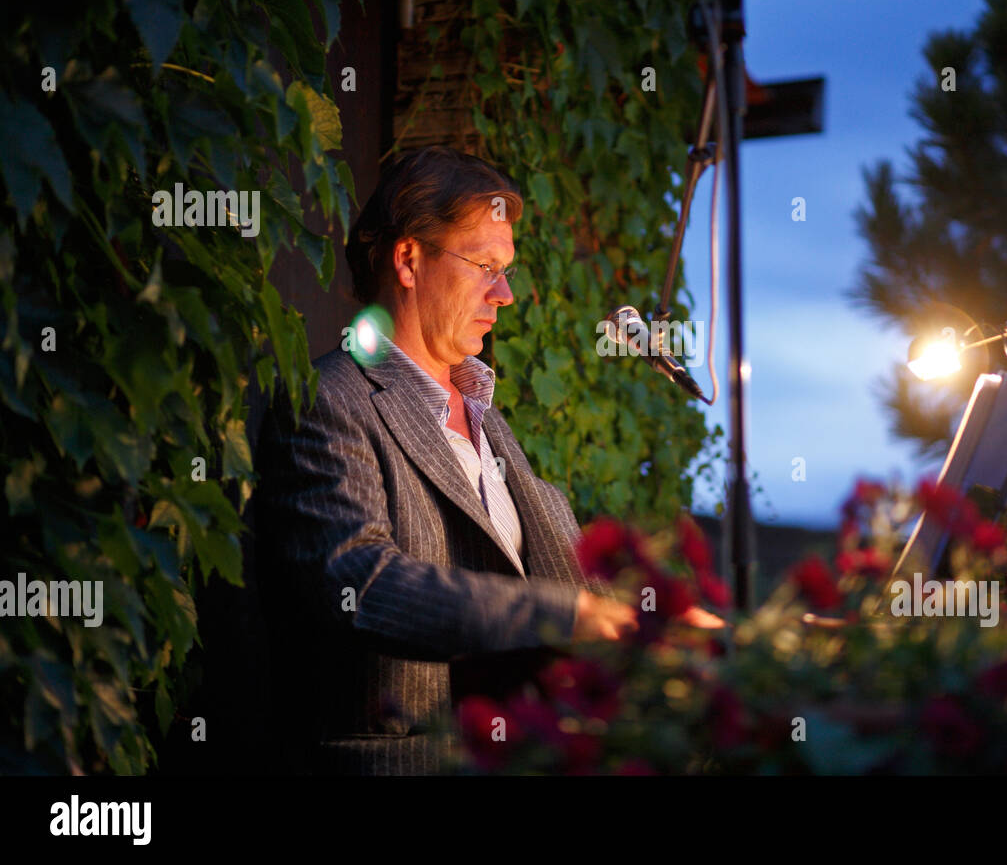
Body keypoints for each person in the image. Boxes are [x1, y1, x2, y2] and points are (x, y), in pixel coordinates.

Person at [253, 146, 718, 775]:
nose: (505, 294)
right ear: (409, 259)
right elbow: (360, 583)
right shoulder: (330, 399)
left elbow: (569, 584)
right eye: (484, 265)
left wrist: (670, 630)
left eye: (507, 270)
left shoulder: (487, 419)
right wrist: (569, 617)